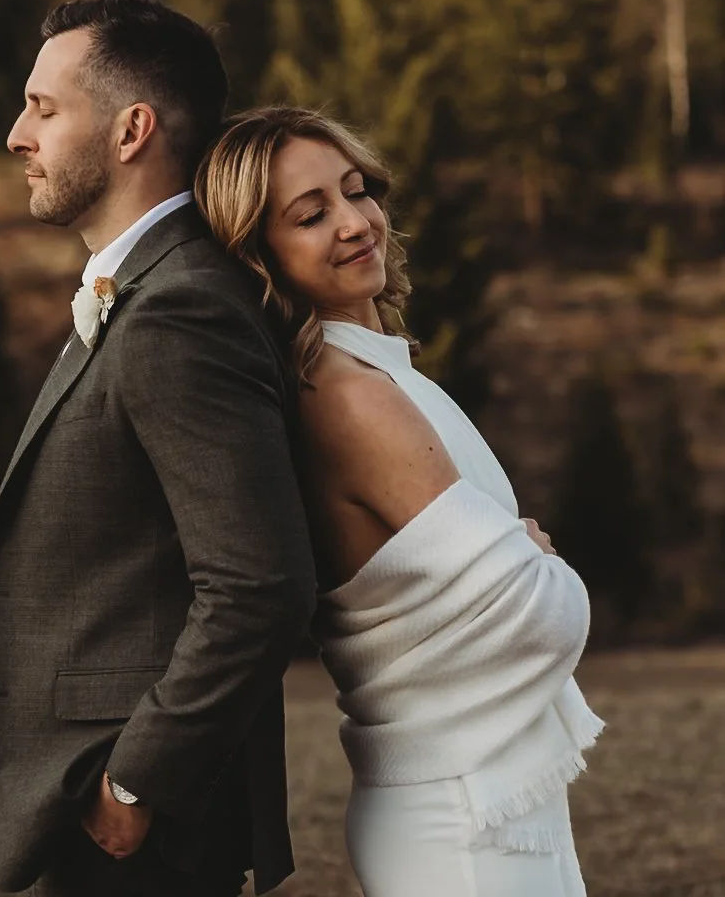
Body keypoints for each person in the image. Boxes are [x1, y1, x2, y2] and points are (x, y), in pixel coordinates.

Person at [197, 105, 604, 897]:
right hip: (460, 821)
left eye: (357, 192)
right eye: (312, 215)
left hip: (486, 799)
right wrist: (532, 556)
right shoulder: (347, 396)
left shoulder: (379, 373)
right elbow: (543, 616)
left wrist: (519, 559)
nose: (354, 223)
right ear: (260, 257)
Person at [0, 0, 316, 897]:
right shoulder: (148, 287)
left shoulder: (181, 307)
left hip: (142, 827)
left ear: (132, 130)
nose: (17, 135)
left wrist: (136, 781)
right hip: (97, 804)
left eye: (45, 109)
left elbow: (258, 582)